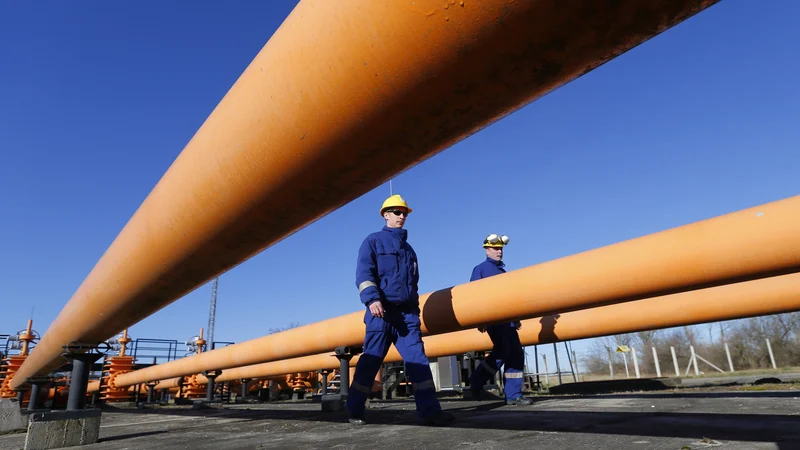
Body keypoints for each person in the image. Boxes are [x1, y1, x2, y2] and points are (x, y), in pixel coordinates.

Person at [345, 194, 455, 426]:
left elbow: (413, 284)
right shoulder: (373, 241)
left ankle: (430, 412)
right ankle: (354, 409)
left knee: (419, 362)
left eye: (404, 212)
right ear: (385, 215)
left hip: (406, 316)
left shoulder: (409, 250)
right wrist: (372, 299)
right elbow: (364, 274)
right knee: (371, 361)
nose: (401, 216)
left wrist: (414, 312)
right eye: (396, 212)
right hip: (381, 313)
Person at [468, 233, 534, 406]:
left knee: (517, 355)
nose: (499, 252)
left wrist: (516, 317)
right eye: (496, 249)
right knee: (503, 350)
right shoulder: (480, 269)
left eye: (501, 249)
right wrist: (479, 318)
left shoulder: (503, 272)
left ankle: (513, 394)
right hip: (493, 319)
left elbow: (509, 298)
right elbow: (473, 295)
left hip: (508, 320)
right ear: (487, 250)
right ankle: (476, 382)